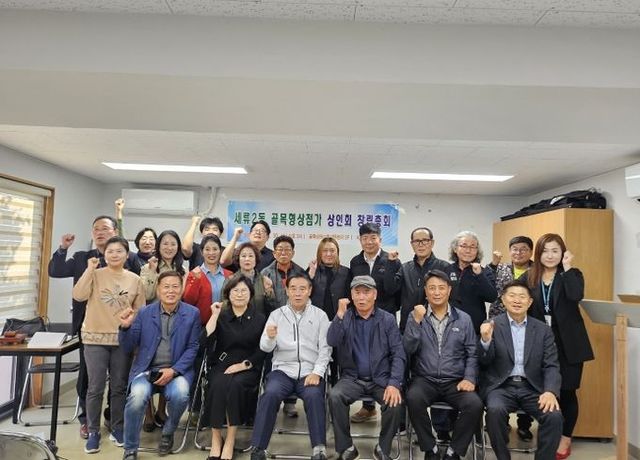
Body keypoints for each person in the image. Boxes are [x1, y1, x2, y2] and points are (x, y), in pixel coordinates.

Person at [48, 215, 140, 439]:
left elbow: (138, 292)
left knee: (118, 381)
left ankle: (112, 418)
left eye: (105, 228)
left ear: (115, 232)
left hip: (121, 330)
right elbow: (56, 271)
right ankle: (87, 422)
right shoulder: (83, 257)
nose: (100, 232)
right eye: (96, 229)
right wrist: (62, 249)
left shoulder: (129, 258)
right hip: (89, 327)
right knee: (89, 379)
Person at [521, 234, 593, 459]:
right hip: (541, 343)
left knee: (567, 392)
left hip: (569, 344)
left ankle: (565, 438)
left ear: (563, 253)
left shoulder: (572, 274)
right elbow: (513, 298)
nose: (550, 255)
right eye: (545, 251)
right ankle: (549, 435)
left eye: (555, 251)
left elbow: (575, 295)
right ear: (538, 253)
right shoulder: (529, 276)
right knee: (546, 391)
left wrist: (568, 267)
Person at [71, 236, 146, 453]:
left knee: (119, 386)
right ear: (104, 254)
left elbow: (140, 309)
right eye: (110, 251)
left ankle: (117, 427)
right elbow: (78, 295)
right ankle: (93, 431)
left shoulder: (135, 279)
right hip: (94, 338)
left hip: (122, 338)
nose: (114, 254)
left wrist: (131, 319)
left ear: (127, 255)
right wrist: (89, 269)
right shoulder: (95, 274)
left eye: (119, 251)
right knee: (95, 387)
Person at [119, 271, 201, 460]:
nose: (171, 291)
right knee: (137, 397)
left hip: (177, 372)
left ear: (181, 289)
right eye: (166, 287)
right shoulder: (144, 313)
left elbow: (193, 347)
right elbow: (128, 346)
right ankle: (130, 448)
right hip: (147, 371)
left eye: (175, 286)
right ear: (158, 290)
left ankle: (168, 432)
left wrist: (174, 370)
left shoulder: (192, 313)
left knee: (181, 394)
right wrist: (125, 327)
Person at [249, 274, 331, 460]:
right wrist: (270, 337)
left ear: (310, 291)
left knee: (314, 395)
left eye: (302, 289)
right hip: (283, 371)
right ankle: (258, 448)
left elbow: (325, 349)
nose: (298, 293)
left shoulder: (320, 316)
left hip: (310, 372)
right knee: (270, 394)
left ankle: (319, 448)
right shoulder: (276, 315)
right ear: (287, 291)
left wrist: (317, 372)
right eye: (293, 288)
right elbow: (265, 347)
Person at [479, 280, 563, 460]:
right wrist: (485, 341)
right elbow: (483, 362)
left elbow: (551, 364)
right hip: (501, 387)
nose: (517, 300)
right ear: (503, 300)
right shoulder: (491, 325)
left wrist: (550, 391)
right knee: (494, 411)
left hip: (532, 387)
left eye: (522, 297)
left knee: (554, 415)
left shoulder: (542, 330)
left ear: (530, 302)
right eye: (512, 296)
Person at [403, 270, 483, 460]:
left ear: (449, 290)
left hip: (455, 381)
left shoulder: (463, 319)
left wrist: (469, 378)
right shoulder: (416, 316)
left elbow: (472, 352)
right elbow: (408, 348)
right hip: (425, 379)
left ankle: (454, 450)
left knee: (474, 404)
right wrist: (415, 322)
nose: (437, 292)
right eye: (432, 288)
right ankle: (430, 448)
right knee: (413, 398)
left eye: (441, 288)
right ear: (425, 291)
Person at [327, 275, 405, 460]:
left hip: (381, 379)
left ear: (375, 295)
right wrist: (339, 315)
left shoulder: (387, 319)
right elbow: (332, 340)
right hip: (352, 378)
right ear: (351, 295)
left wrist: (394, 383)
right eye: (357, 292)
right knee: (335, 396)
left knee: (395, 401)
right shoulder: (345, 317)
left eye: (366, 292)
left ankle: (383, 448)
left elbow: (398, 354)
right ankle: (346, 447)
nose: (362, 297)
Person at [201, 275, 267, 460]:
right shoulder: (221, 316)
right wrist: (214, 315)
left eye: (244, 290)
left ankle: (230, 440)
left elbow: (262, 350)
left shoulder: (259, 318)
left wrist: (244, 365)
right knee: (217, 384)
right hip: (222, 364)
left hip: (247, 366)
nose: (239, 294)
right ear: (228, 294)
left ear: (251, 294)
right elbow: (205, 342)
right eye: (235, 291)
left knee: (235, 386)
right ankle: (216, 439)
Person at [349, 223, 401, 422]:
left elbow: (393, 290)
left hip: (384, 318)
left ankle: (388, 400)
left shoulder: (391, 260)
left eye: (373, 238)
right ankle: (368, 408)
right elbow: (353, 289)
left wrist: (390, 265)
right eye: (365, 238)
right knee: (363, 356)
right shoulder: (355, 261)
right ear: (360, 240)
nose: (369, 242)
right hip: (361, 317)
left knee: (384, 357)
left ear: (380, 239)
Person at [488, 235, 535, 441]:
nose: (518, 252)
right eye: (515, 249)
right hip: (500, 322)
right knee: (502, 365)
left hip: (527, 323)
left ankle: (524, 425)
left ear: (531, 252)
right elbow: (487, 284)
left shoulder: (536, 270)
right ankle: (503, 421)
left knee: (527, 369)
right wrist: (492, 264)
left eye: (523, 249)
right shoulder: (501, 268)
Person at [260, 235, 307, 417]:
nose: (283, 253)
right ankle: (273, 399)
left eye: (287, 249)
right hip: (273, 324)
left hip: (295, 324)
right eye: (280, 249)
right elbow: (260, 303)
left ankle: (290, 403)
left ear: (293, 252)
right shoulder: (264, 274)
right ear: (274, 253)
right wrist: (268, 293)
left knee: (293, 360)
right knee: (271, 362)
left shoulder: (300, 272)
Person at [383, 227, 449, 332]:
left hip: (435, 327)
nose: (420, 245)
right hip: (408, 326)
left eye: (425, 240)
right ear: (412, 244)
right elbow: (390, 289)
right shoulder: (405, 268)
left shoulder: (444, 267)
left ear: (432, 243)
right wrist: (390, 263)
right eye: (416, 241)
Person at [308, 237, 350, 384]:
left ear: (337, 252)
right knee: (319, 355)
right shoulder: (312, 270)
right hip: (316, 322)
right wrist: (310, 275)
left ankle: (337, 384)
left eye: (332, 250)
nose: (328, 254)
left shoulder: (346, 272)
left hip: (338, 320)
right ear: (319, 253)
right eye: (325, 250)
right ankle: (318, 383)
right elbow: (305, 293)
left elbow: (350, 297)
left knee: (338, 356)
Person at [445, 230, 497, 334]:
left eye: (473, 247)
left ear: (477, 251)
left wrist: (479, 275)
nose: (468, 250)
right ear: (455, 249)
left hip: (474, 328)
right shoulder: (446, 270)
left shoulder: (484, 272)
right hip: (449, 327)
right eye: (464, 246)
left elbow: (492, 297)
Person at [183, 235, 234, 325]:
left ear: (220, 251)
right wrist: (195, 280)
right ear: (201, 252)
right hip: (201, 325)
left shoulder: (229, 275)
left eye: (215, 249)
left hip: (226, 325)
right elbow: (188, 301)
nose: (211, 253)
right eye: (207, 249)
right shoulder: (194, 274)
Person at [222, 242, 277, 316]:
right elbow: (224, 306)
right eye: (243, 256)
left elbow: (272, 308)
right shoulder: (230, 280)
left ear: (256, 259)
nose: (247, 259)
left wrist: (269, 292)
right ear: (238, 259)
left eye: (251, 256)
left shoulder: (264, 280)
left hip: (260, 321)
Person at [140, 230, 187, 303]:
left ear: (178, 247)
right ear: (158, 246)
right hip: (154, 309)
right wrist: (152, 271)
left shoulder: (183, 270)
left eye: (173, 244)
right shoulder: (147, 268)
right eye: (165, 244)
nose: (169, 248)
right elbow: (146, 296)